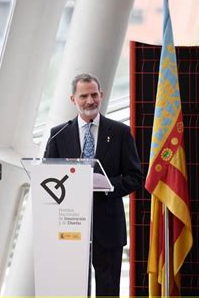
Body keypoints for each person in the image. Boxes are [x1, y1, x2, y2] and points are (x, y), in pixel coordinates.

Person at [44, 73, 143, 296]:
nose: (90, 101)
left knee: (108, 291)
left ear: (102, 95)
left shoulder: (120, 132)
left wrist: (106, 185)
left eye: (94, 95)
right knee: (71, 290)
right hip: (69, 227)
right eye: (84, 96)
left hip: (108, 227)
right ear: (73, 99)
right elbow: (47, 177)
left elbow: (135, 176)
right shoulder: (58, 135)